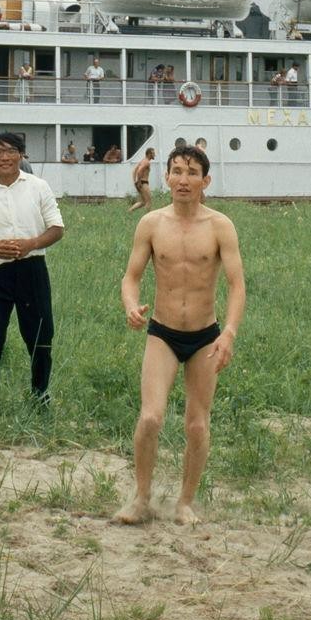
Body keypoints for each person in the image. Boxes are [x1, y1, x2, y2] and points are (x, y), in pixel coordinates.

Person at [114, 145, 246, 526]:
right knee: (151, 418)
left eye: (191, 172)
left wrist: (230, 334)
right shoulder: (151, 224)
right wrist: (130, 304)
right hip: (162, 332)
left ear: (205, 181)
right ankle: (141, 497)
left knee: (197, 423)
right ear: (166, 177)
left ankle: (185, 502)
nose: (183, 179)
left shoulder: (221, 226)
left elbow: (237, 286)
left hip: (206, 335)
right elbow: (131, 276)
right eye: (176, 171)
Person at [0, 131, 65, 426]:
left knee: (41, 339)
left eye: (10, 151)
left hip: (32, 271)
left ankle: (40, 394)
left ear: (21, 154)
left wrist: (32, 243)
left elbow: (56, 228)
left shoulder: (38, 187)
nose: (4, 157)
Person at [128, 145, 157, 213]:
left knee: (143, 202)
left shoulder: (142, 161)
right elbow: (139, 171)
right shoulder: (147, 162)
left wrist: (135, 181)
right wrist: (139, 182)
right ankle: (147, 218)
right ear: (149, 154)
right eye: (153, 153)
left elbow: (134, 171)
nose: (154, 155)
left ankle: (129, 211)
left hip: (140, 183)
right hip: (143, 183)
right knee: (149, 201)